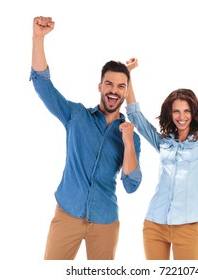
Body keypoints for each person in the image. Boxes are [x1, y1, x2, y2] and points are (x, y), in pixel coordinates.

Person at [29, 16, 142, 260]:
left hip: (105, 221)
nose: (114, 90)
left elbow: (131, 185)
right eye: (109, 84)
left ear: (125, 92)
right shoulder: (76, 116)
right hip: (67, 214)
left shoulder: (130, 134)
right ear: (100, 87)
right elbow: (42, 85)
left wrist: (129, 141)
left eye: (121, 86)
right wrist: (38, 39)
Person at [125, 40, 198, 260]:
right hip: (154, 224)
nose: (181, 116)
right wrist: (128, 74)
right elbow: (136, 116)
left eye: (186, 111)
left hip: (187, 227)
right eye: (176, 111)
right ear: (170, 113)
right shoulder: (164, 141)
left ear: (193, 111)